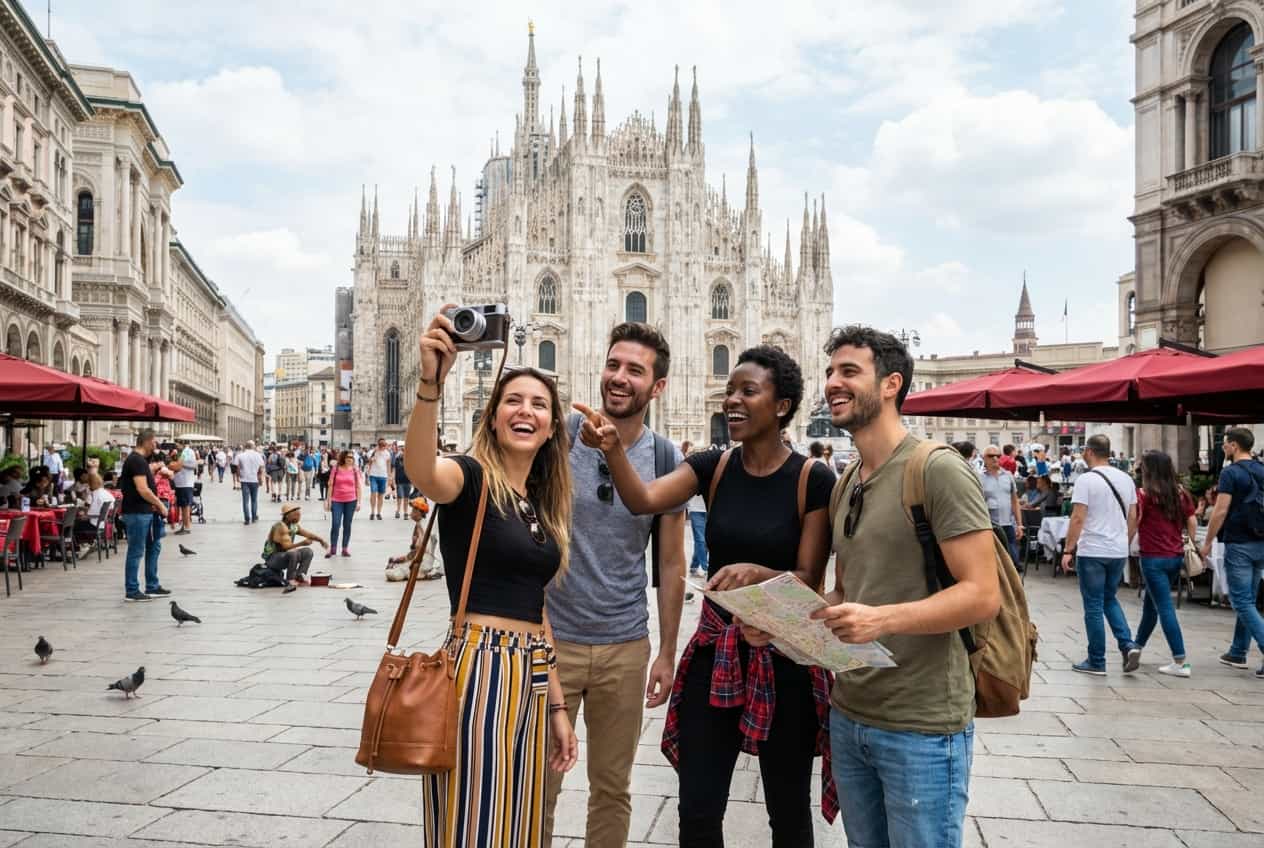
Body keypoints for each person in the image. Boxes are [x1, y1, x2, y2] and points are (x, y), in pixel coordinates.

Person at [583, 343, 836, 847]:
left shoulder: (813, 478)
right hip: (716, 653)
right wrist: (613, 447)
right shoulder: (712, 466)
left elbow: (810, 579)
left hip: (783, 656)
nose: (732, 400)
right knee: (697, 812)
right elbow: (644, 500)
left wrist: (760, 573)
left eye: (748, 391)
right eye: (729, 391)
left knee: (788, 813)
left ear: (782, 405)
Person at [808, 326, 999, 848]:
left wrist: (882, 619)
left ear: (891, 384)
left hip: (923, 724)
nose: (832, 384)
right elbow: (847, 592)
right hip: (851, 715)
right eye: (830, 372)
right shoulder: (847, 480)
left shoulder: (935, 470)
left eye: (849, 372)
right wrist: (787, 621)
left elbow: (983, 592)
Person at [403, 307, 578, 847]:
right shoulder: (472, 478)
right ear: (494, 417)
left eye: (540, 404)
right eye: (513, 401)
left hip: (529, 671)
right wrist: (431, 386)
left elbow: (536, 606)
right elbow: (424, 473)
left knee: (518, 827)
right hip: (478, 664)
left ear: (552, 427)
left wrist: (557, 707)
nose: (526, 411)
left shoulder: (538, 506)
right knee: (473, 822)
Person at [542, 322, 687, 848]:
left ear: (658, 386)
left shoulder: (667, 459)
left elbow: (671, 565)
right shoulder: (555, 437)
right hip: (549, 642)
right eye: (613, 365)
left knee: (612, 788)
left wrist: (667, 652)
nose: (618, 378)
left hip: (625, 646)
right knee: (538, 785)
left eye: (634, 370)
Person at [1061, 433, 1140, 675]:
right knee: (1109, 599)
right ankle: (1127, 645)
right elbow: (1133, 516)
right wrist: (1122, 542)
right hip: (1117, 550)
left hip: (1093, 549)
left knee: (1093, 605)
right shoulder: (1126, 479)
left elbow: (1078, 517)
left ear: (1089, 451)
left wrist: (1068, 549)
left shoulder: (1086, 480)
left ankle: (1097, 660)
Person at [1201, 428, 1264, 676]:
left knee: (1241, 600)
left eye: (1225, 444)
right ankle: (1238, 651)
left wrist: (1207, 541)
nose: (1223, 448)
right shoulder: (1262, 469)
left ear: (1235, 446)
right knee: (1248, 598)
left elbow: (1220, 510)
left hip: (1239, 542)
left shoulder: (1231, 473)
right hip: (1261, 541)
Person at [1130, 450, 1197, 678]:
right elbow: (1192, 521)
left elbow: (1135, 522)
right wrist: (1187, 541)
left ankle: (1180, 660)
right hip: (1175, 555)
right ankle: (1135, 648)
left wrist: (1125, 542)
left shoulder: (1144, 495)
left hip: (1152, 557)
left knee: (1165, 607)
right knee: (1152, 604)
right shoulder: (1181, 494)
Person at [119, 429, 171, 602]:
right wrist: (159, 504)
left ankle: (152, 585)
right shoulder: (136, 461)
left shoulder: (140, 461)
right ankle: (132, 590)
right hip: (137, 512)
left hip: (145, 512)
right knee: (136, 550)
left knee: (154, 546)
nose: (155, 445)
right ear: (147, 441)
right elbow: (142, 489)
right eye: (154, 442)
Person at [263, 502, 328, 592]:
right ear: (287, 516)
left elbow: (308, 534)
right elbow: (286, 547)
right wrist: (302, 543)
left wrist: (321, 540)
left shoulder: (293, 526)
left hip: (285, 555)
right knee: (293, 552)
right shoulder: (280, 527)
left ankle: (300, 576)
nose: (298, 516)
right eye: (295, 514)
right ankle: (290, 579)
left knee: (308, 551)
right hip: (273, 559)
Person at [981, 445, 1024, 566]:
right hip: (989, 525)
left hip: (1008, 524)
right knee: (993, 562)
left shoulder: (1008, 476)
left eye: (998, 456)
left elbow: (1015, 501)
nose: (995, 458)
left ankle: (1015, 584)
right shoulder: (979, 477)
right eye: (991, 456)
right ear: (984, 458)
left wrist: (1020, 525)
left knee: (1013, 561)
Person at [387, 496, 443, 580]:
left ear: (419, 512)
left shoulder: (423, 526)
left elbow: (424, 548)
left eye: (413, 510)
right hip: (419, 559)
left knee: (392, 574)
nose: (411, 513)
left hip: (424, 562)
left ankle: (426, 572)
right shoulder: (419, 524)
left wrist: (408, 558)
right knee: (394, 564)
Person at [681, 440, 709, 580]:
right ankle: (706, 567)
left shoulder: (711, 469)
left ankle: (693, 566)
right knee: (700, 540)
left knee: (705, 541)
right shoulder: (689, 470)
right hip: (696, 509)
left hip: (708, 509)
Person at [325, 450, 361, 557]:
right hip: (336, 500)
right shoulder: (335, 469)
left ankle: (345, 548)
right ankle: (333, 547)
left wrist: (359, 502)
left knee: (347, 525)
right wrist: (328, 501)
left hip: (351, 500)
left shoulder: (355, 470)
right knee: (336, 524)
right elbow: (330, 485)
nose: (350, 459)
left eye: (352, 457)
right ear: (343, 458)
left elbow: (358, 487)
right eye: (348, 457)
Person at [234, 441, 266, 525]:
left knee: (245, 501)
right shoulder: (258, 455)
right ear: (253, 446)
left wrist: (238, 476)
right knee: (254, 500)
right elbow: (261, 467)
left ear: (246, 446)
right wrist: (260, 478)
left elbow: (237, 467)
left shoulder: (240, 455)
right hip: (254, 480)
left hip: (244, 480)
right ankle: (254, 517)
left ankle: (247, 518)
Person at [171, 440, 197, 536]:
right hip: (179, 483)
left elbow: (194, 465)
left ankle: (187, 527)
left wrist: (180, 464)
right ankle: (183, 526)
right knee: (182, 505)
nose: (176, 446)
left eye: (177, 444)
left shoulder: (188, 452)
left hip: (186, 483)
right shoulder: (179, 453)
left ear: (182, 444)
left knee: (185, 506)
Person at [366, 437, 391, 520]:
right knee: (373, 493)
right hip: (373, 475)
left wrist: (389, 477)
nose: (382, 446)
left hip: (383, 476)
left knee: (380, 495)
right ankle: (372, 512)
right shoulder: (372, 452)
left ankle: (379, 512)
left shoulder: (387, 453)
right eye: (380, 444)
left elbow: (388, 465)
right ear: (378, 444)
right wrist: (375, 451)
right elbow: (369, 462)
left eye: (384, 445)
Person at [391, 442, 412, 519]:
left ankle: (405, 512)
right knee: (399, 497)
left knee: (406, 497)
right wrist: (392, 479)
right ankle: (398, 511)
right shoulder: (397, 459)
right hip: (399, 481)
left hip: (408, 480)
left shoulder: (410, 460)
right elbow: (394, 470)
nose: (403, 452)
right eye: (402, 450)